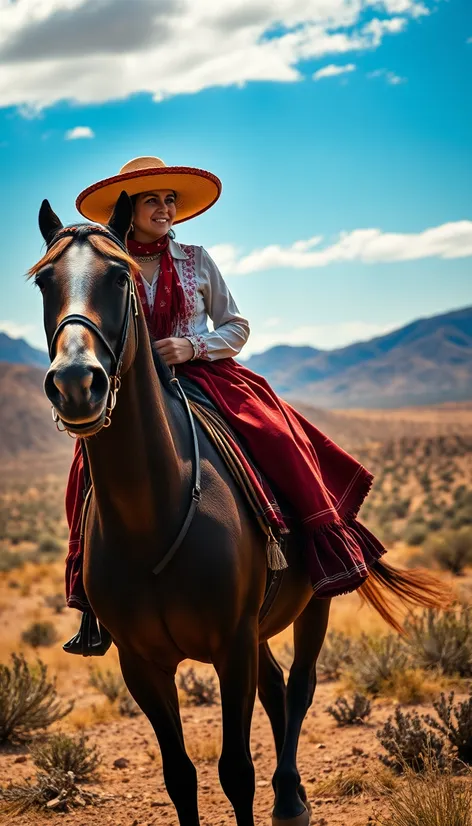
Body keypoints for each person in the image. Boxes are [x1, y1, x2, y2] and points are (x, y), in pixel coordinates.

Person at [64, 156, 386, 654]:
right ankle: (92, 598)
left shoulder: (197, 259)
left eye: (170, 199)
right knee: (85, 472)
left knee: (276, 437)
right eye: (152, 199)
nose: (165, 207)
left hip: (205, 375)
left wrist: (191, 347)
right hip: (134, 391)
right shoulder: (108, 265)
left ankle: (316, 545)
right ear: (128, 209)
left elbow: (236, 326)